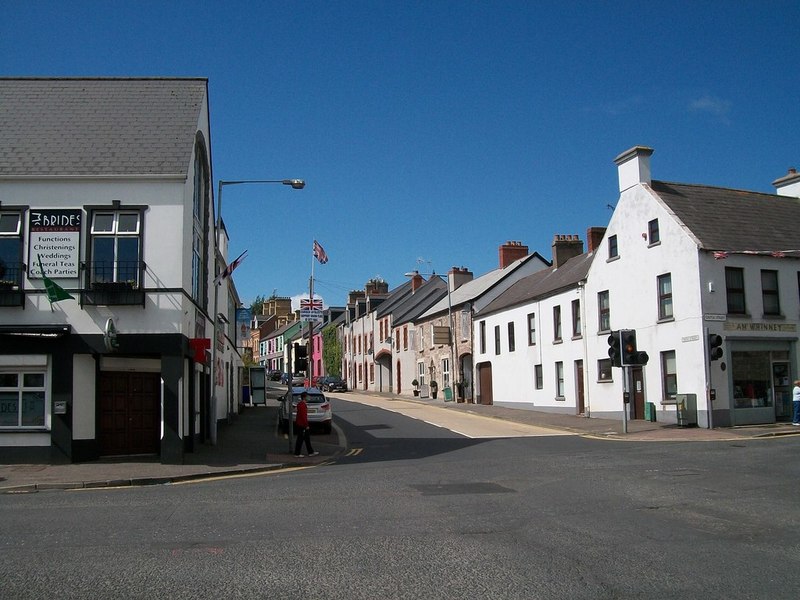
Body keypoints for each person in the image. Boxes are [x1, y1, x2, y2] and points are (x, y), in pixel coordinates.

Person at [294, 391, 319, 457]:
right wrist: (306, 425)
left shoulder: (300, 404)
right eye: (308, 396)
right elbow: (303, 416)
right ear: (304, 397)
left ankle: (310, 452)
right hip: (302, 424)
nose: (309, 397)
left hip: (300, 423)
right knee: (300, 439)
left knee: (307, 438)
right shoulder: (302, 405)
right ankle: (297, 453)